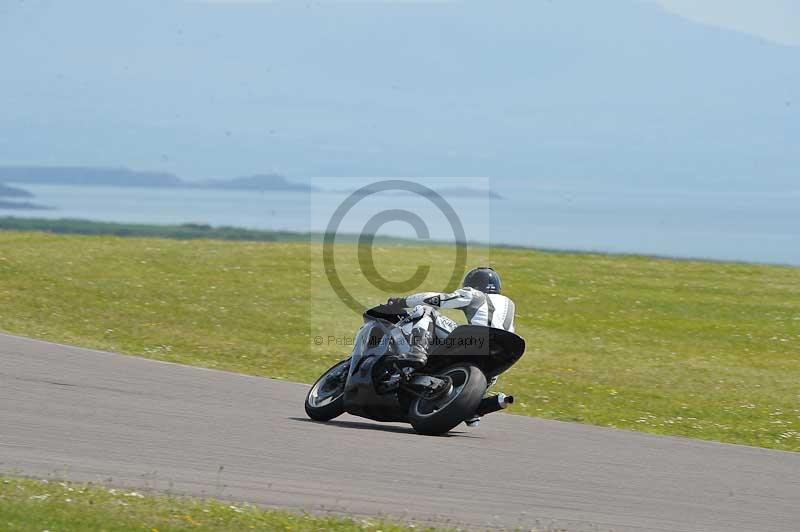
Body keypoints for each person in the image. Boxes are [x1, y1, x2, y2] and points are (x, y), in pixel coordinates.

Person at [386, 267, 516, 370]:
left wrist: (401, 302)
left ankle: (417, 352)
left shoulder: (475, 294)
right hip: (503, 354)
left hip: (479, 341)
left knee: (426, 309)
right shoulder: (509, 304)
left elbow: (436, 299)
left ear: (472, 285)